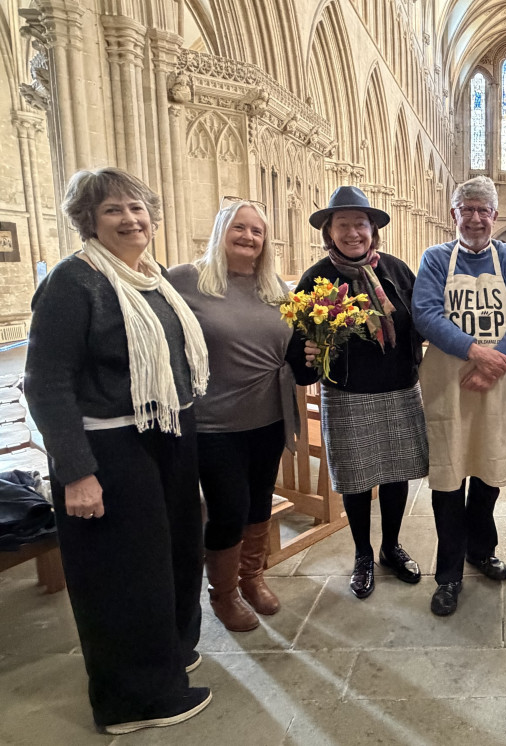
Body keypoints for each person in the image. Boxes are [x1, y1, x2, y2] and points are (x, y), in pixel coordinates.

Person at [23, 168, 212, 734]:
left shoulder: (149, 278)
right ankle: (134, 700)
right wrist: (77, 472)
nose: (131, 220)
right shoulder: (73, 281)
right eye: (114, 211)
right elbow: (46, 381)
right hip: (110, 444)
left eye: (137, 209)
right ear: (89, 220)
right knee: (126, 570)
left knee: (175, 552)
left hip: (166, 432)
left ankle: (168, 657)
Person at [169, 197, 303, 632]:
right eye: (239, 228)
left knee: (261, 498)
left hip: (268, 415)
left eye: (257, 231)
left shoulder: (277, 290)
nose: (249, 237)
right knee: (228, 508)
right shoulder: (187, 281)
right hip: (215, 421)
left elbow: (296, 347)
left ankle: (251, 579)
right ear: (221, 232)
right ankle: (222, 595)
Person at [287, 185, 428, 599]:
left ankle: (391, 547)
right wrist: (309, 353)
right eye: (343, 225)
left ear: (373, 230)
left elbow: (420, 321)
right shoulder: (316, 278)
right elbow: (297, 344)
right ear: (329, 232)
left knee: (396, 472)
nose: (353, 233)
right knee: (355, 480)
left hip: (399, 388)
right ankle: (363, 554)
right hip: (347, 393)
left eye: (360, 224)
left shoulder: (397, 271)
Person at [412, 176, 506, 616]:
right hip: (450, 385)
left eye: (485, 210)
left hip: (498, 384)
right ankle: (447, 575)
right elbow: (425, 313)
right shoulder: (435, 258)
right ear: (454, 214)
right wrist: (477, 353)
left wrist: (496, 362)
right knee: (448, 478)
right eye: (468, 208)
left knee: (488, 469)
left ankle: (480, 550)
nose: (477, 217)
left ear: (496, 216)